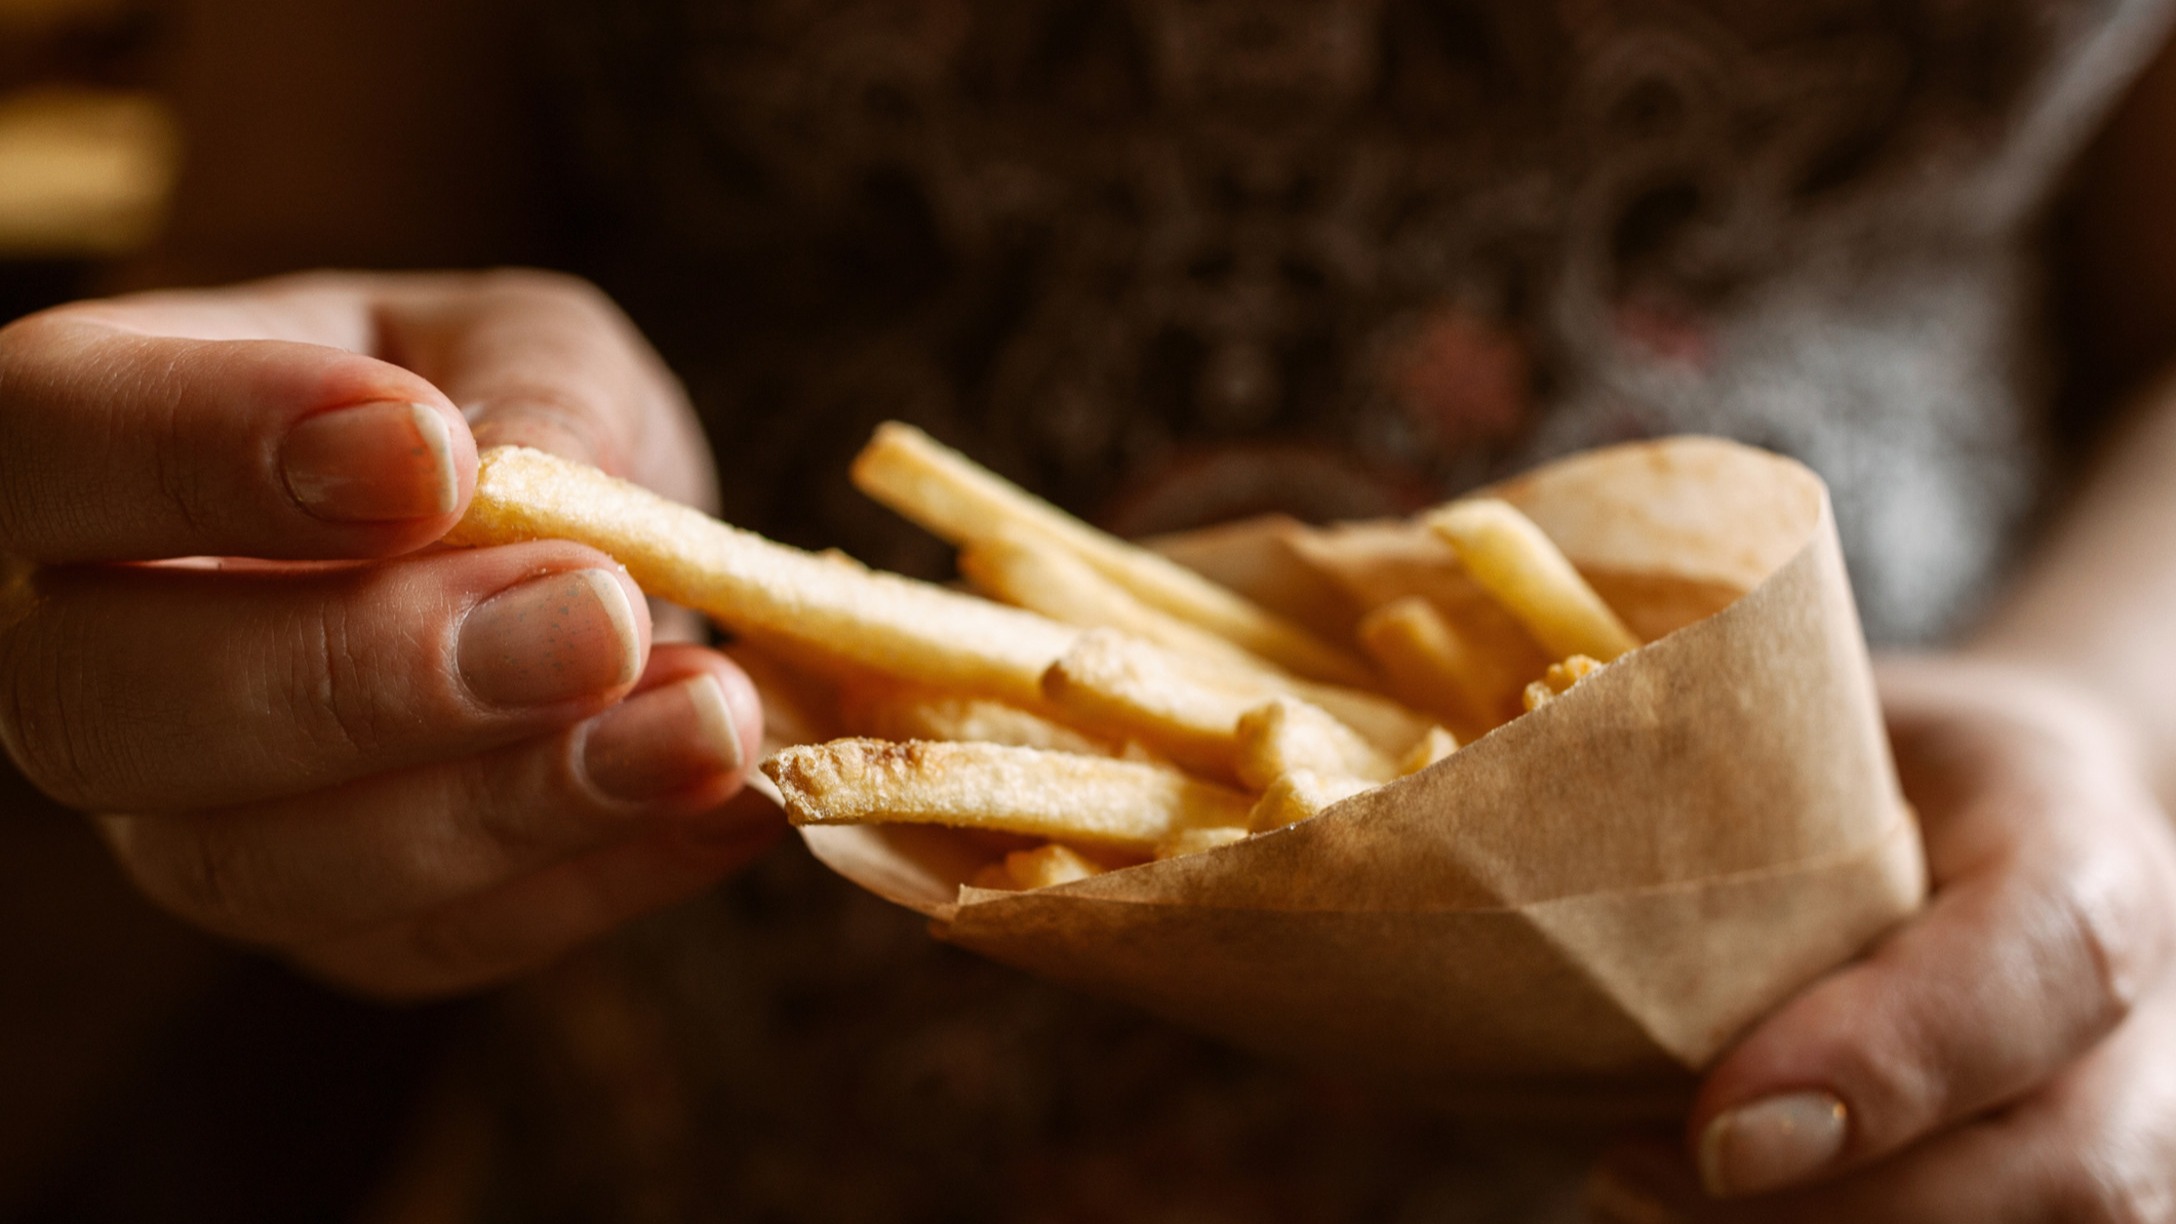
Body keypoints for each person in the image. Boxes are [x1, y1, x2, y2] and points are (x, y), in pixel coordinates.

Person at [7, 1, 2176, 1218]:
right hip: (718, 1078)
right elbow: (324, 198)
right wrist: (311, 511)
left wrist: (2091, 722)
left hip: (1833, 1077)